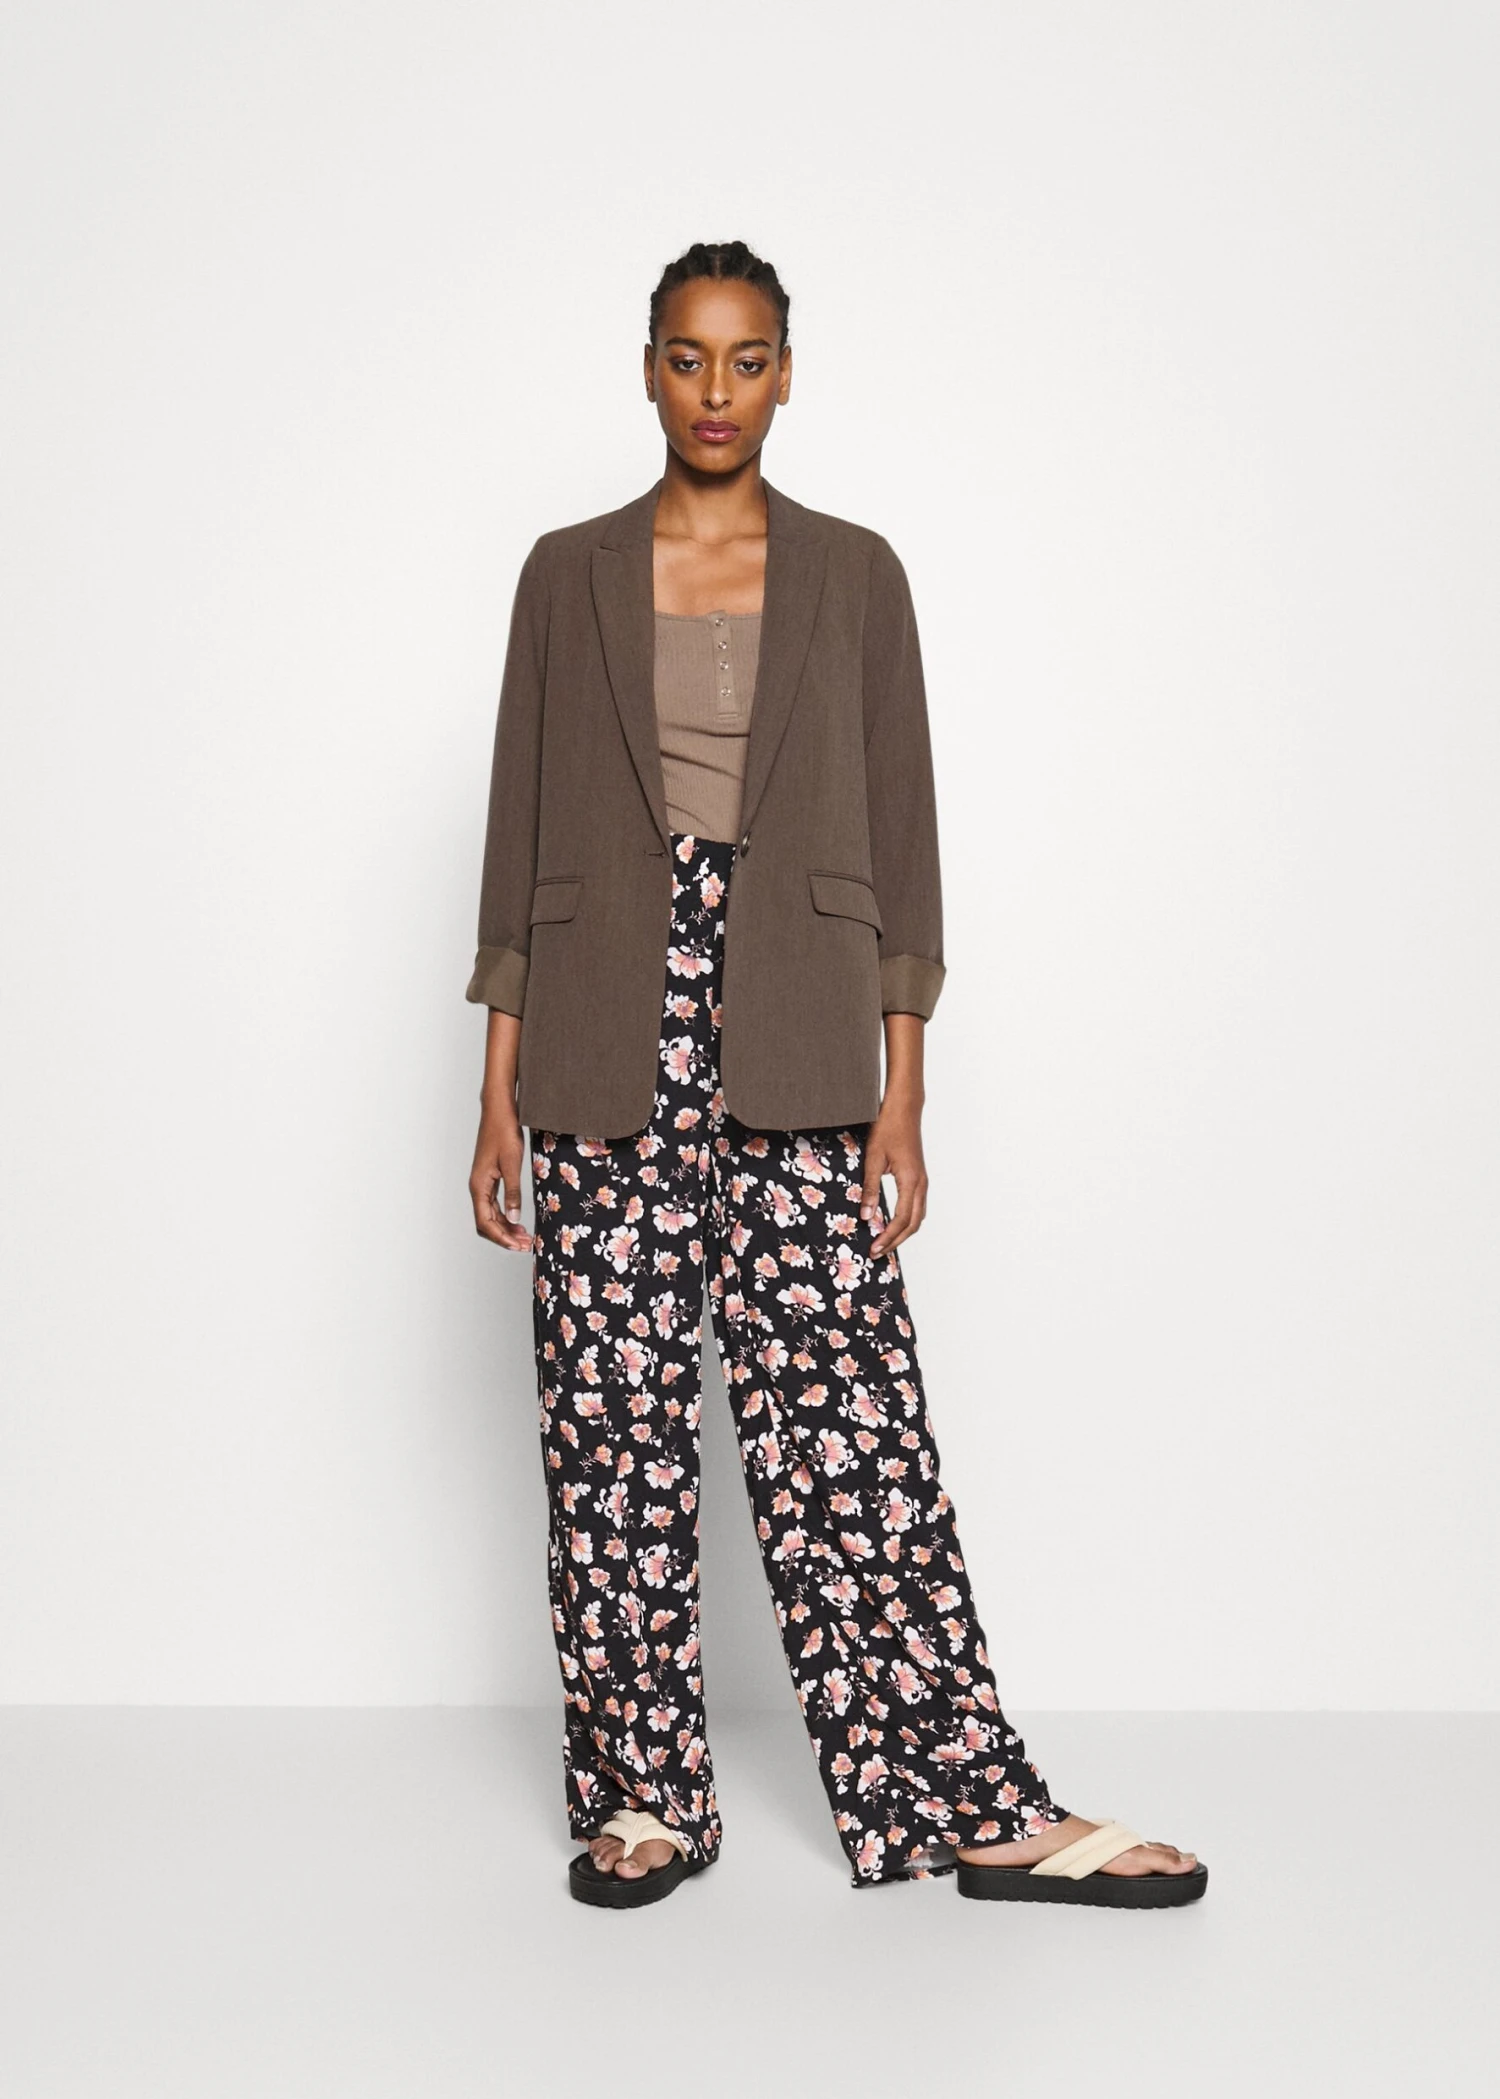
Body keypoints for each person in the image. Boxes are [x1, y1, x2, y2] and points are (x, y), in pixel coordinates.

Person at [466, 240, 1206, 1911]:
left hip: (798, 1026)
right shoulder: (566, 572)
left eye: (747, 359)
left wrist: (904, 1085)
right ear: (646, 369)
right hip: (600, 1028)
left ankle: (971, 1801)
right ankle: (645, 1797)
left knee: (852, 1429)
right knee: (611, 1431)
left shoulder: (857, 574)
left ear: (789, 372)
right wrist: (495, 1083)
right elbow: (517, 830)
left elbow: (903, 832)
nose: (715, 391)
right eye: (686, 357)